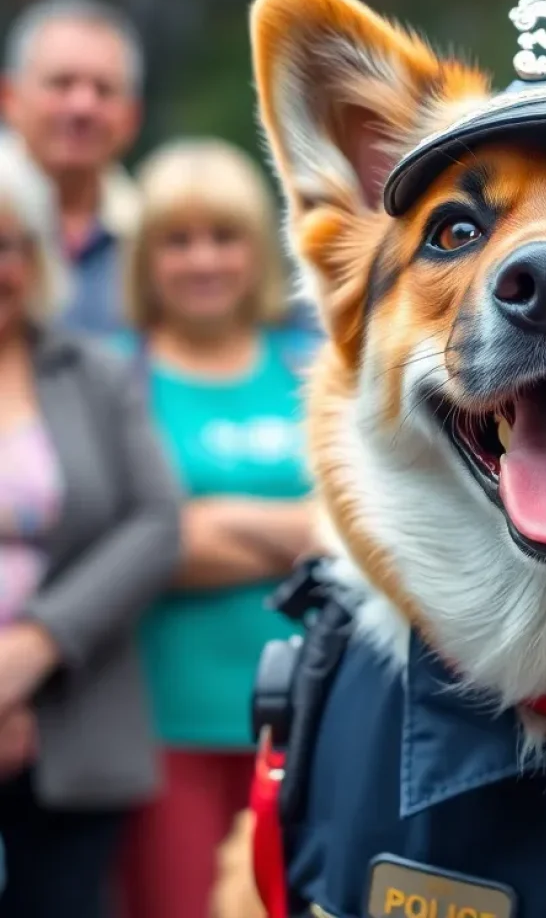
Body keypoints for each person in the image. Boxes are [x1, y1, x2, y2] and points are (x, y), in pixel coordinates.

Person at [115, 137, 319, 918]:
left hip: (305, 720)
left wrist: (208, 522)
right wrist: (299, 528)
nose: (203, 261)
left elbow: (357, 528)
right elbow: (123, 548)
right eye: (178, 240)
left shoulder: (309, 368)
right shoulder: (110, 375)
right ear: (145, 258)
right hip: (163, 728)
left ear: (257, 251)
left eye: (224, 237)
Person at [0, 134, 180, 918]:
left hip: (75, 727)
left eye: (6, 244)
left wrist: (35, 648)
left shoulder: (96, 371)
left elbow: (156, 522)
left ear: (38, 257)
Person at [1, 0, 143, 334]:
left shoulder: (157, 238)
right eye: (61, 84)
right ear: (9, 98)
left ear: (132, 116)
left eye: (104, 89)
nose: (82, 106)